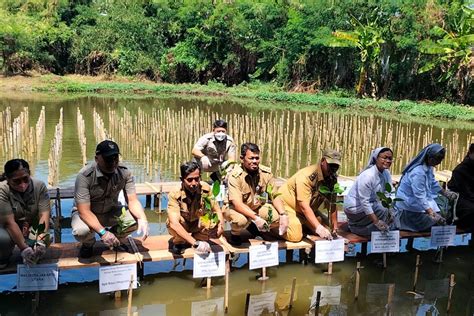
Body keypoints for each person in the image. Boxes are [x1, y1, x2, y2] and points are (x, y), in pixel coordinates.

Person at [72, 140, 149, 258]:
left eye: (115, 157)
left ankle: (115, 238)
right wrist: (103, 232)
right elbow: (84, 211)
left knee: (135, 219)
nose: (113, 162)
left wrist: (143, 218)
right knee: (81, 231)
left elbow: (133, 201)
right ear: (97, 159)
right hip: (88, 214)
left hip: (110, 211)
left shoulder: (124, 173)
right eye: (108, 159)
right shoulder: (84, 176)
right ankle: (88, 244)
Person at [226, 143, 300, 245]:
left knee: (276, 218)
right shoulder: (235, 176)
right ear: (242, 159)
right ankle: (235, 234)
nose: (255, 161)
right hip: (236, 209)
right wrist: (256, 218)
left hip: (256, 206)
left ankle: (258, 228)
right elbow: (237, 204)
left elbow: (274, 195)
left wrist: (283, 214)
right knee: (241, 221)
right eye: (251, 158)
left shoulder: (265, 173)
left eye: (257, 158)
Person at [279, 149, 341, 240]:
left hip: (309, 210)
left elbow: (332, 204)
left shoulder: (332, 178)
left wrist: (335, 228)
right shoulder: (306, 176)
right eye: (331, 165)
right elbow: (304, 207)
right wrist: (319, 228)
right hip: (290, 207)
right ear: (323, 161)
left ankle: (304, 227)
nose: (333, 168)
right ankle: (265, 232)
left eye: (336, 166)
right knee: (295, 236)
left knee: (329, 231)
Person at [395, 143, 458, 232]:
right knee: (436, 223)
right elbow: (419, 195)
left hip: (420, 202)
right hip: (410, 205)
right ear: (430, 158)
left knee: (444, 216)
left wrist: (444, 192)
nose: (440, 162)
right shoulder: (418, 173)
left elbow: (432, 183)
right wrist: (432, 213)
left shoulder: (429, 167)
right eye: (438, 159)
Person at [0, 159, 50, 268]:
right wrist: (24, 249)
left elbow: (44, 215)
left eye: (25, 179)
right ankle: (3, 257)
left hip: (32, 224)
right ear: (8, 179)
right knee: (3, 239)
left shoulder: (40, 186)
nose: (22, 184)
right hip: (9, 226)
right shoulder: (2, 190)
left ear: (29, 174)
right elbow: (9, 223)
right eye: (16, 181)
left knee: (45, 239)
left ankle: (35, 253)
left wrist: (40, 240)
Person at [167, 161, 224, 254]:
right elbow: (174, 223)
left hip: (198, 223)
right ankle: (179, 242)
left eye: (196, 179)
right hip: (183, 224)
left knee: (212, 220)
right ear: (182, 179)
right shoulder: (175, 193)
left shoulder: (205, 188)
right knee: (171, 223)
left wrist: (221, 227)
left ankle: (200, 237)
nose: (194, 183)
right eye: (189, 180)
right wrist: (195, 243)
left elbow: (217, 209)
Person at [344, 147, 397, 236]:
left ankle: (383, 233)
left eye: (390, 159)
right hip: (355, 208)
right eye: (384, 158)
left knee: (392, 210)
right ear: (376, 158)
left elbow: (390, 193)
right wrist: (376, 221)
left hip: (372, 204)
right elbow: (364, 202)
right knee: (382, 209)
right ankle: (357, 228)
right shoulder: (368, 176)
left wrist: (391, 211)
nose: (387, 161)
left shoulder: (386, 173)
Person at [447, 143, 474, 230]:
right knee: (471, 209)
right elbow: (466, 191)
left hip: (470, 196)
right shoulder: (460, 170)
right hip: (460, 198)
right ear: (470, 152)